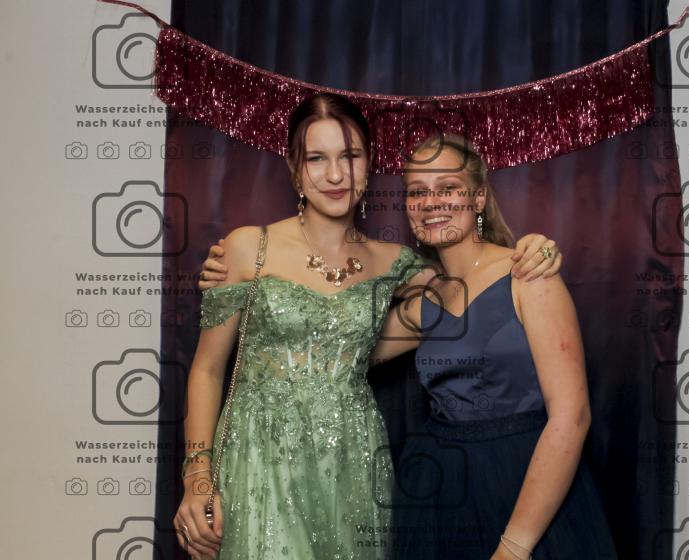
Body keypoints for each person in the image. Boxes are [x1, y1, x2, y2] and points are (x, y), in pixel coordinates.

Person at [180, 93, 563, 560]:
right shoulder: (247, 250)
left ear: (369, 164)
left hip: (352, 462)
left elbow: (473, 287)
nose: (336, 175)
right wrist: (197, 480)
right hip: (258, 460)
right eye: (317, 158)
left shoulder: (396, 264)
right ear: (294, 168)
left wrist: (536, 248)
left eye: (350, 156)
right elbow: (206, 371)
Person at [368, 134, 618, 559]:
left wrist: (514, 547)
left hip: (525, 488)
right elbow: (342, 350)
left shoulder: (528, 273)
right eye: (417, 192)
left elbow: (572, 417)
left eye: (448, 187)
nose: (431, 202)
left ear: (479, 197)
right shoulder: (426, 303)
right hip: (441, 492)